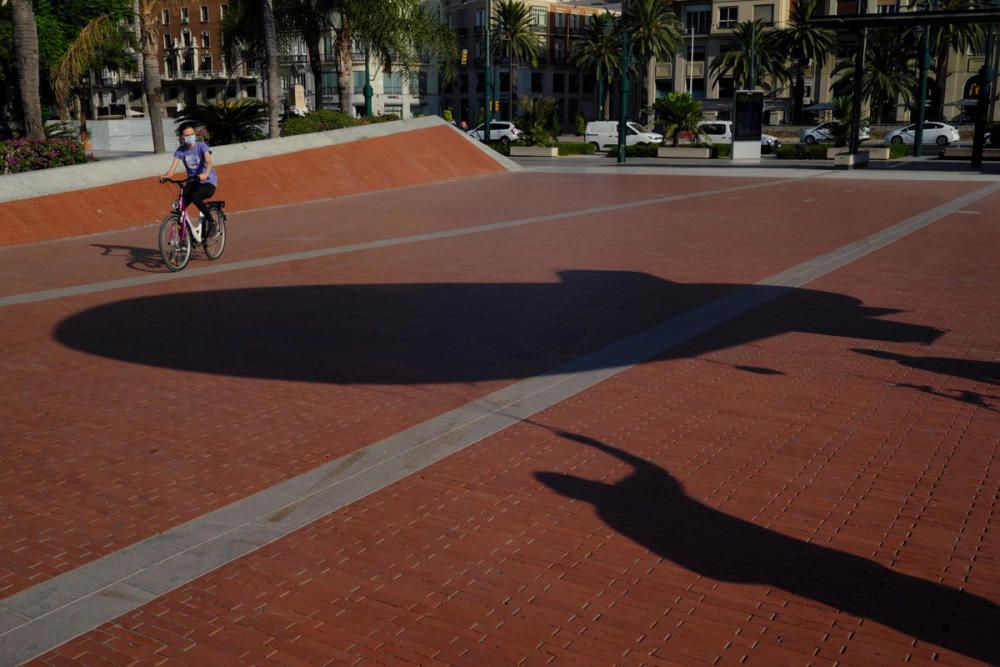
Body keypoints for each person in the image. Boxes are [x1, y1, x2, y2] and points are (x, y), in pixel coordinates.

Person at [160, 123, 219, 236]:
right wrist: (166, 176)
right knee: (179, 206)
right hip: (193, 181)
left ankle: (212, 222)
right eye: (187, 135)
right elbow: (172, 169)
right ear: (182, 137)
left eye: (192, 134)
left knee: (195, 196)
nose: (191, 137)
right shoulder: (180, 151)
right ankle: (183, 238)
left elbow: (209, 162)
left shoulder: (201, 146)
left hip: (208, 182)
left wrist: (206, 174)